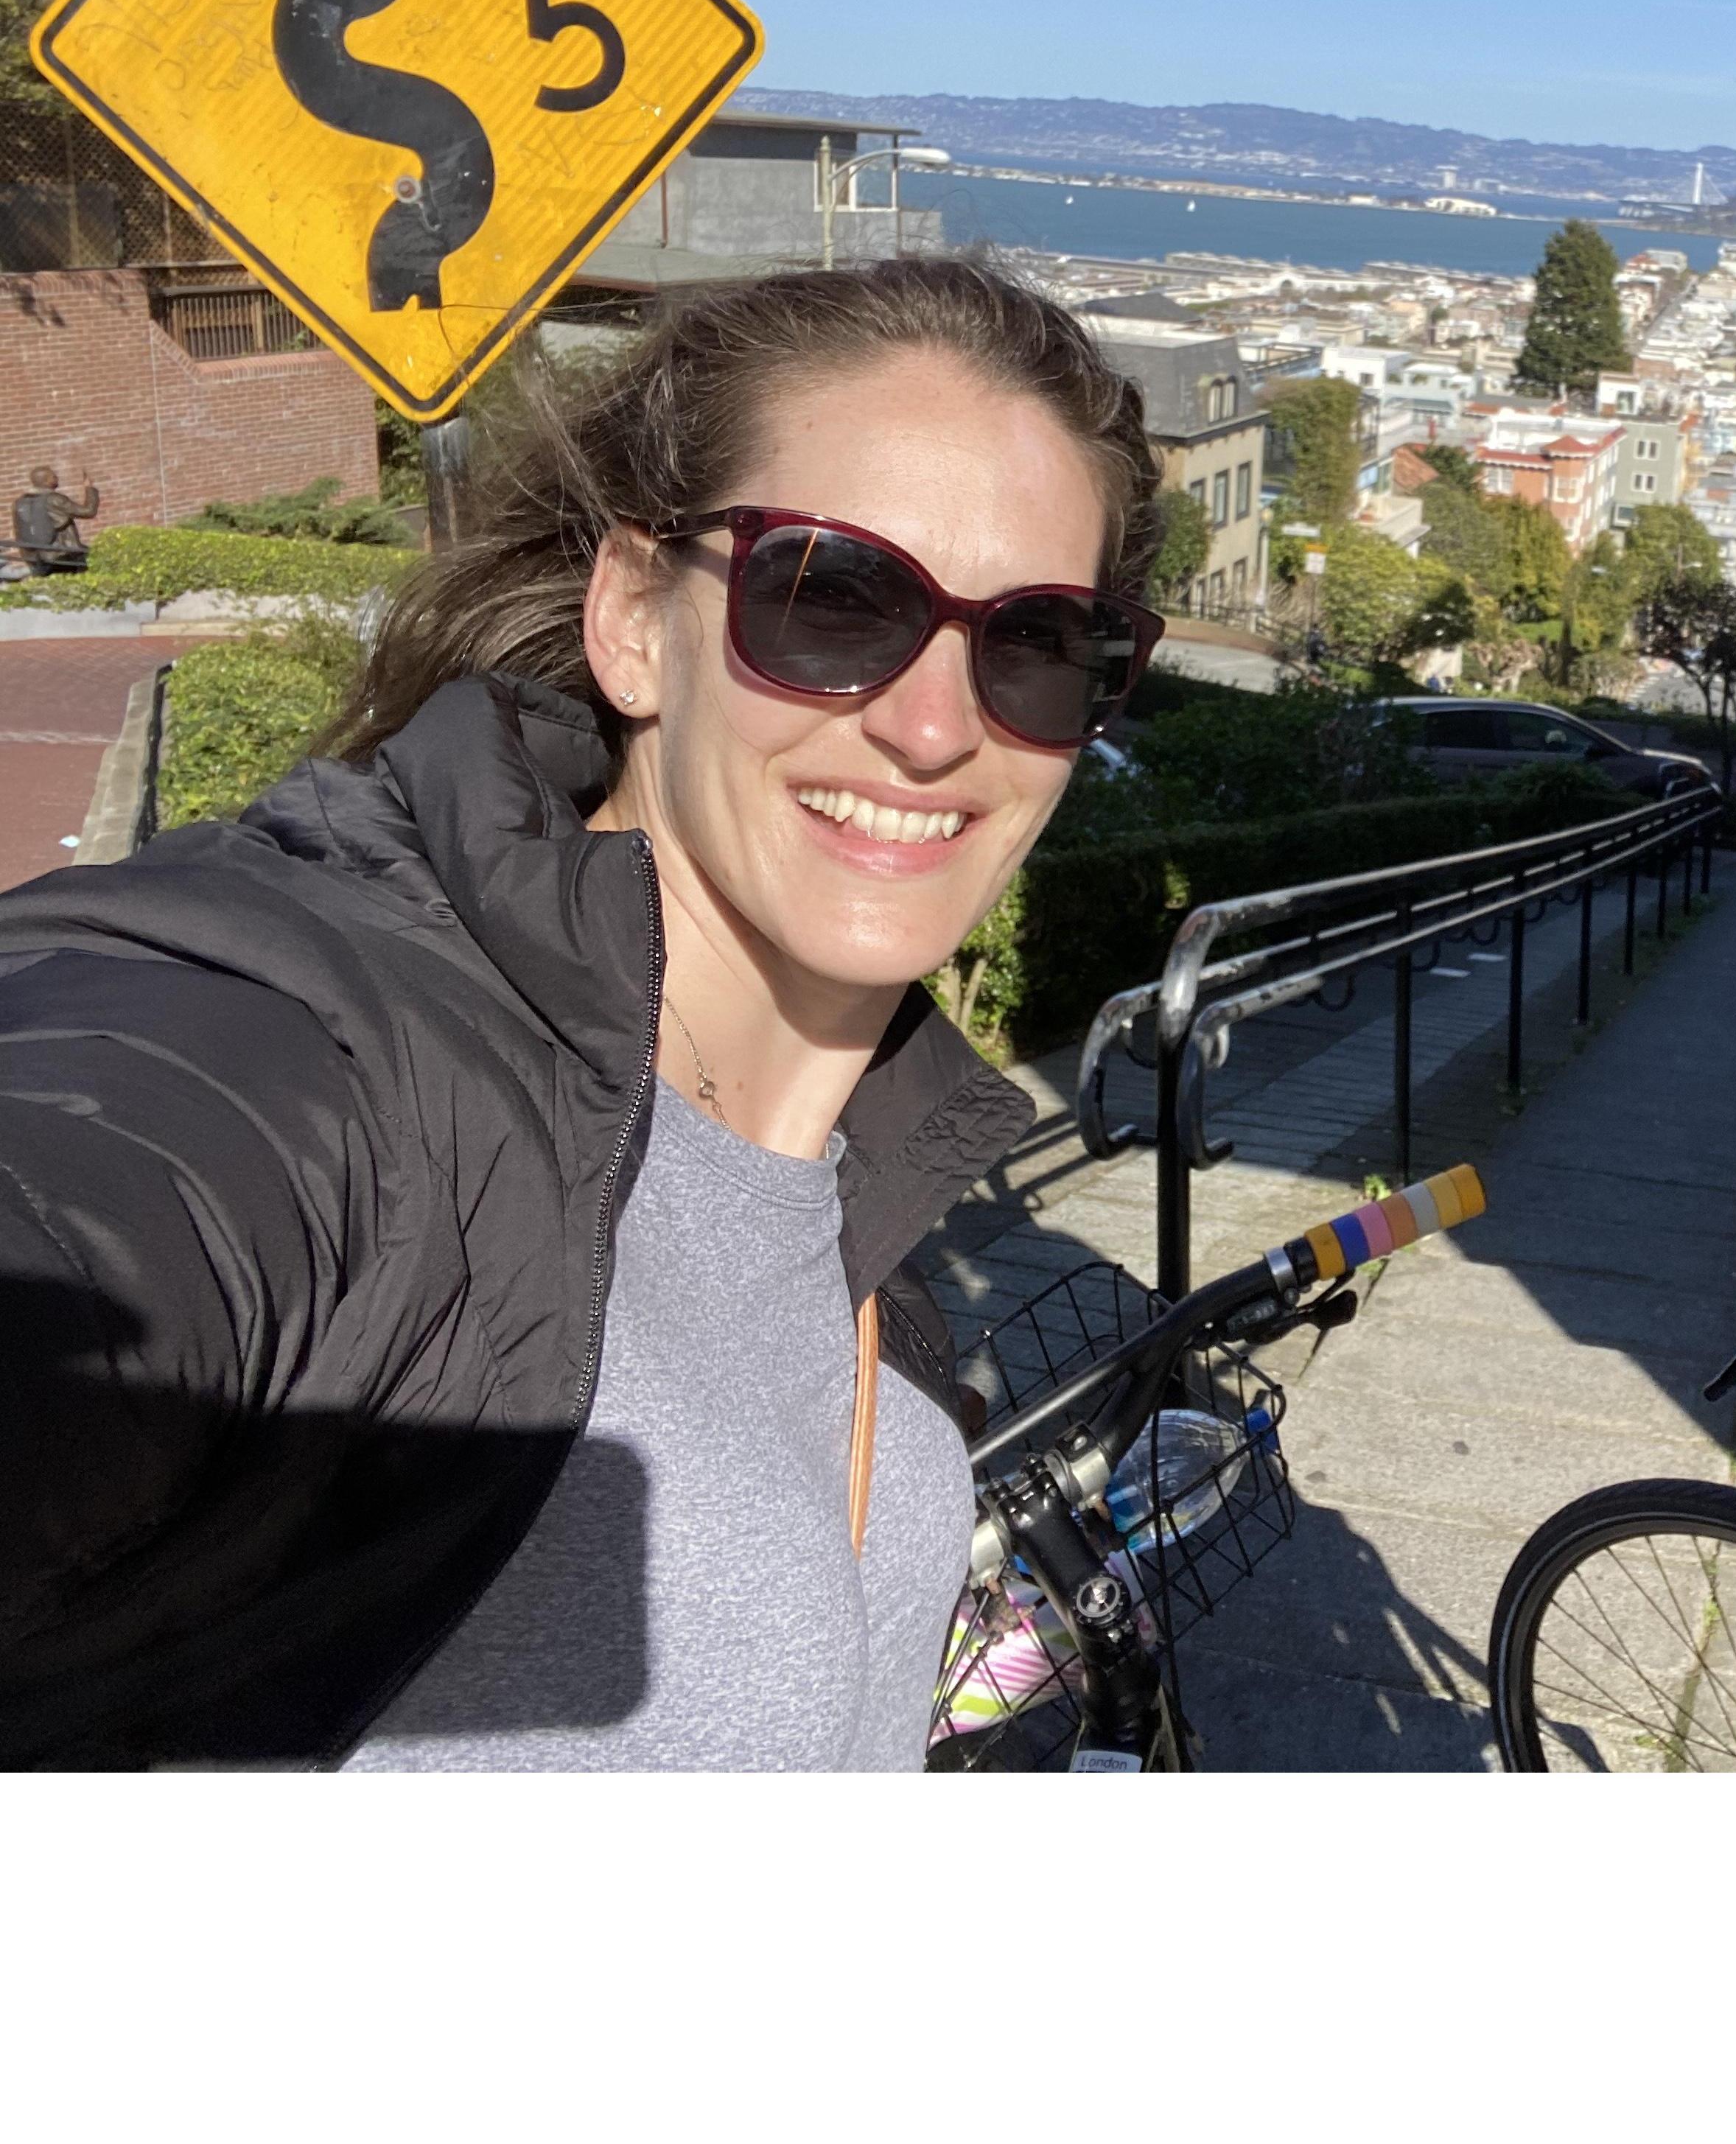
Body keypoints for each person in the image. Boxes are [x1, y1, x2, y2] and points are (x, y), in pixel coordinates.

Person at [0, 259, 1163, 1768]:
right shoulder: (351, 1065)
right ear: (631, 617)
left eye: (1036, 646)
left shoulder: (859, 1228)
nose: (934, 727)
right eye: (831, 595)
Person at [10, 463, 98, 575]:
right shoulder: (54, 500)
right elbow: (88, 512)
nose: (57, 478)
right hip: (61, 557)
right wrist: (89, 488)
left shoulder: (19, 503)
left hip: (34, 558)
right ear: (46, 481)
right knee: (99, 558)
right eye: (54, 476)